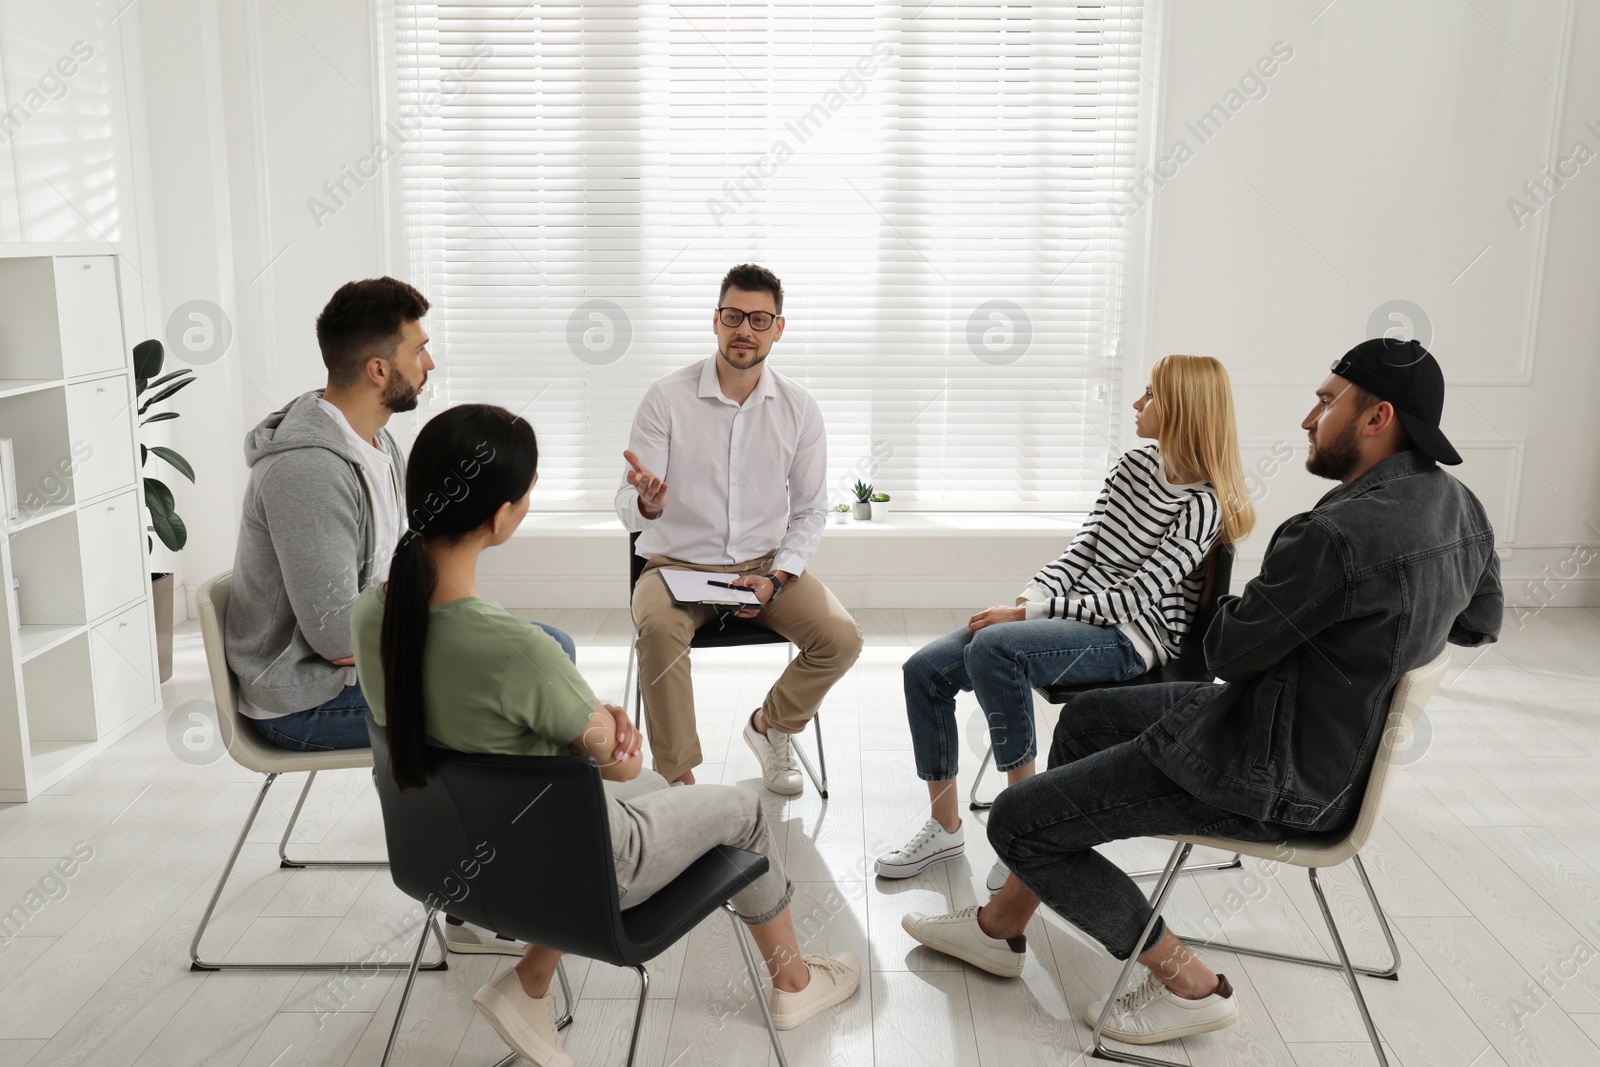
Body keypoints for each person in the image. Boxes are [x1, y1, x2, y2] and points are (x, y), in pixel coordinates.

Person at [900, 338, 1502, 1046]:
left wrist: (1260, 609)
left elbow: (1225, 651)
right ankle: (1002, 926)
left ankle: (1188, 983)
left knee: (1016, 821)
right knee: (1088, 719)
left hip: (1270, 770)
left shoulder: (1331, 536)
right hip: (1319, 745)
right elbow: (1478, 622)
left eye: (1326, 400)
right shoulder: (1462, 509)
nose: (1309, 418)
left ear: (1378, 418)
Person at [351, 404, 861, 1067]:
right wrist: (599, 728)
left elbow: (563, 744)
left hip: (450, 858)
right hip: (570, 872)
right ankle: (796, 984)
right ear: (504, 514)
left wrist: (576, 727)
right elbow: (619, 767)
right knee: (743, 812)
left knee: (654, 788)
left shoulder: (374, 613)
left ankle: (530, 984)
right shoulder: (519, 649)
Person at [224, 277, 571, 955]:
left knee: (541, 650)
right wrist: (453, 655)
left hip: (366, 659)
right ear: (379, 367)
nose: (430, 363)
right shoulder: (308, 471)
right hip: (304, 697)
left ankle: (487, 896)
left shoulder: (380, 447)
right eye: (420, 348)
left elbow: (405, 576)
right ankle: (490, 903)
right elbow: (331, 631)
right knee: (519, 688)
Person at [876, 355, 1255, 893]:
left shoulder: (1202, 506)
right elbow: (1083, 550)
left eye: (1149, 394)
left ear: (1182, 409)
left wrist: (1027, 617)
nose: (1137, 404)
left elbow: (1132, 599)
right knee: (923, 670)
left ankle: (1024, 831)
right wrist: (1030, 598)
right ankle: (944, 827)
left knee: (996, 649)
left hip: (1131, 638)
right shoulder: (1133, 466)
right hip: (1072, 616)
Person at [616, 263, 863, 792]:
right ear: (715, 321)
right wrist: (650, 506)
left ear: (778, 327)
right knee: (659, 631)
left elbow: (810, 511)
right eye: (733, 316)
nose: (743, 329)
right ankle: (680, 786)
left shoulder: (799, 407)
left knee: (840, 637)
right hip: (675, 567)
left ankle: (770, 727)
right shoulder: (666, 397)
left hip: (762, 569)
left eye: (758, 319)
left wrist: (778, 576)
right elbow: (628, 503)